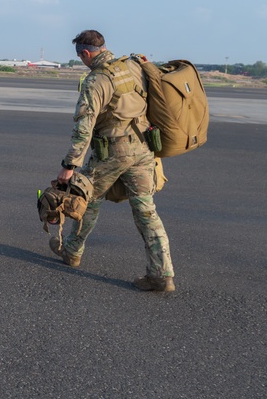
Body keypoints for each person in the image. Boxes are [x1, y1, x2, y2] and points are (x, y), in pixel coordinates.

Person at [53, 29, 176, 292]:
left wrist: (70, 165)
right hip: (144, 148)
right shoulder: (134, 66)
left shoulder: (95, 81)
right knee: (146, 211)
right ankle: (162, 273)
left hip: (112, 152)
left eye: (81, 57)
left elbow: (83, 128)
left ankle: (73, 251)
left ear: (85, 53)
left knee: (87, 200)